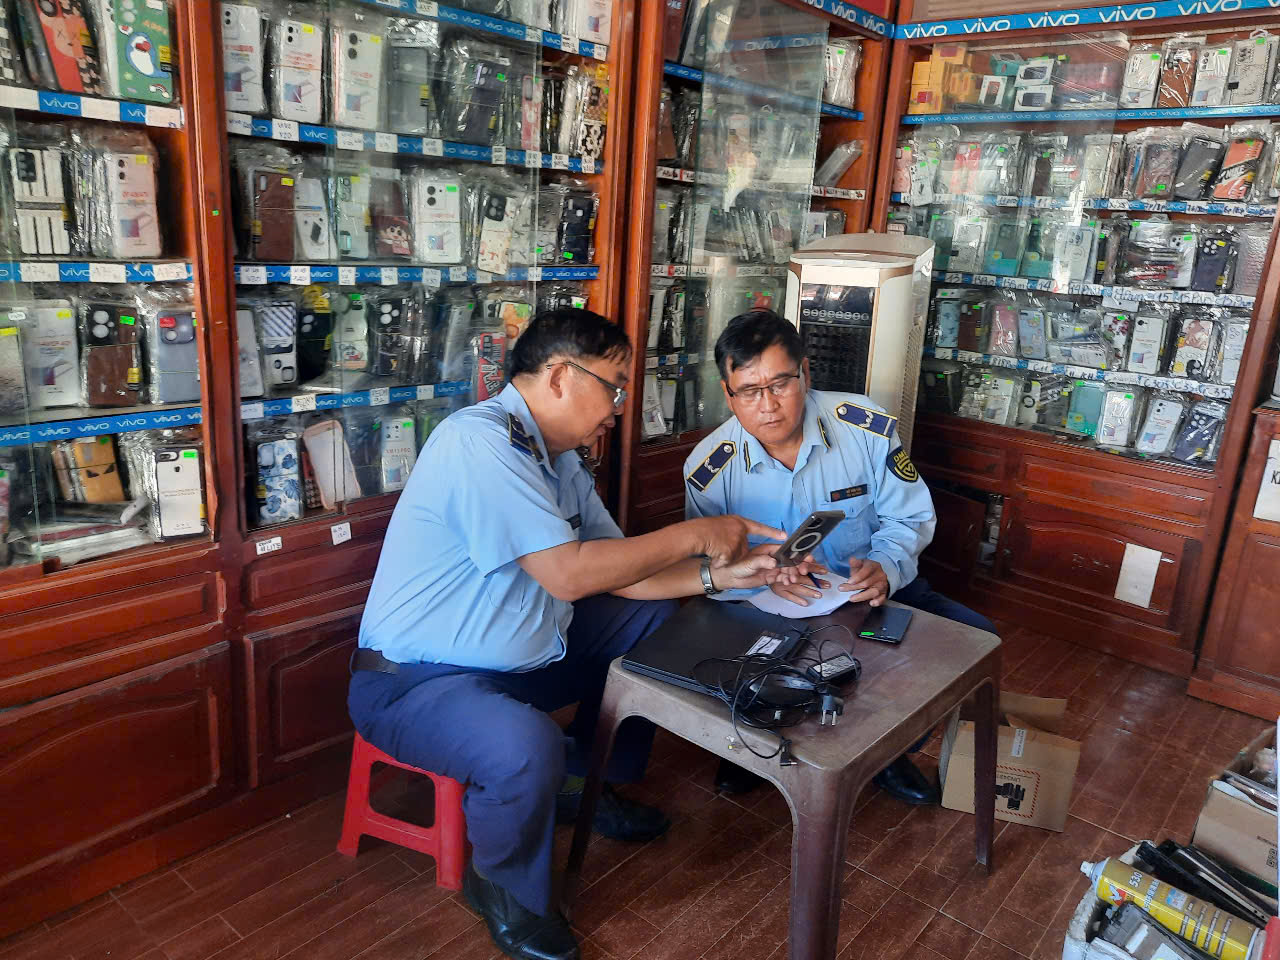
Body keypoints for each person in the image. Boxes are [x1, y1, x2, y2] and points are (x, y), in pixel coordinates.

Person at [349, 308, 800, 960]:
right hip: (415, 683)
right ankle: (502, 885)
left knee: (652, 624)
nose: (619, 407)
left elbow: (626, 577)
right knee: (524, 744)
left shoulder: (559, 461)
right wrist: (697, 534)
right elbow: (568, 574)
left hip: (521, 663)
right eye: (614, 387)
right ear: (561, 376)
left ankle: (586, 784)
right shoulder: (479, 442)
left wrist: (719, 575)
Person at [683, 308, 997, 805]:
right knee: (742, 648)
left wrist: (886, 566)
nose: (768, 405)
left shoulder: (863, 428)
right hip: (770, 609)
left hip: (867, 593)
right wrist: (759, 579)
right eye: (749, 391)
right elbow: (707, 572)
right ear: (728, 394)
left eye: (780, 384)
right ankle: (758, 734)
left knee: (975, 639)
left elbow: (910, 516)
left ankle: (889, 748)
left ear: (805, 374)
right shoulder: (708, 470)